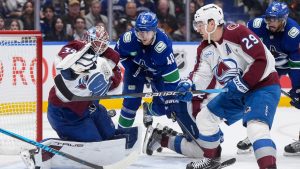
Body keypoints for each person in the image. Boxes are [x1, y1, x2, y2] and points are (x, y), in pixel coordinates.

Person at [176, 4, 280, 169]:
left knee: (256, 127)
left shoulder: (237, 32)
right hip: (237, 91)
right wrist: (189, 85)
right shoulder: (205, 47)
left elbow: (261, 60)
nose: (197, 29)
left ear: (212, 23)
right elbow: (202, 75)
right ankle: (211, 159)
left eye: (200, 24)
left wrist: (243, 83)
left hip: (263, 86)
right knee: (205, 117)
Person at [21, 26, 141, 168]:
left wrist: (107, 81)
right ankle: (41, 152)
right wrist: (77, 68)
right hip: (66, 113)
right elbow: (63, 67)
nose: (98, 46)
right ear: (87, 39)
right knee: (94, 146)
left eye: (101, 43)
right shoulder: (74, 47)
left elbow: (115, 81)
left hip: (91, 108)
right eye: (95, 42)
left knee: (108, 135)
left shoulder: (111, 56)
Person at [236, 1, 300, 156]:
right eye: (269, 18)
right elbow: (241, 48)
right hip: (268, 66)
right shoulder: (256, 25)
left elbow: (296, 65)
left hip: (289, 65)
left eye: (275, 19)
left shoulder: (294, 33)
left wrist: (297, 88)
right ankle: (255, 134)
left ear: (283, 19)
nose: (270, 22)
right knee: (258, 96)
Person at [115, 11, 180, 129]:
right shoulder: (128, 40)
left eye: (147, 32)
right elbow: (119, 55)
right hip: (135, 72)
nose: (143, 36)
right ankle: (120, 133)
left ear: (155, 31)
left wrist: (171, 99)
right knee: (130, 105)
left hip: (157, 73)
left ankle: (148, 110)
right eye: (140, 32)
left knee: (162, 108)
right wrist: (134, 69)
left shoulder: (162, 47)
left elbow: (173, 79)